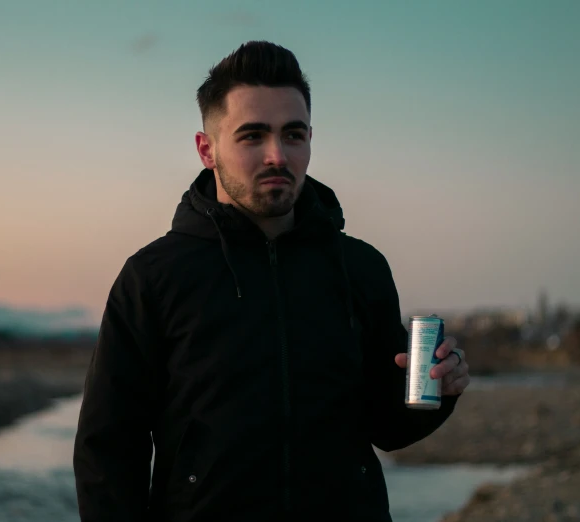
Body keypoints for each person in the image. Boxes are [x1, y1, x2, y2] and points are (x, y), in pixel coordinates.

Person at [73, 40, 470, 522]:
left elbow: (386, 427)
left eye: (293, 135)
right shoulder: (154, 277)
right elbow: (108, 450)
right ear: (207, 149)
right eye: (252, 136)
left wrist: (438, 392)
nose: (277, 155)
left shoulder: (360, 267)